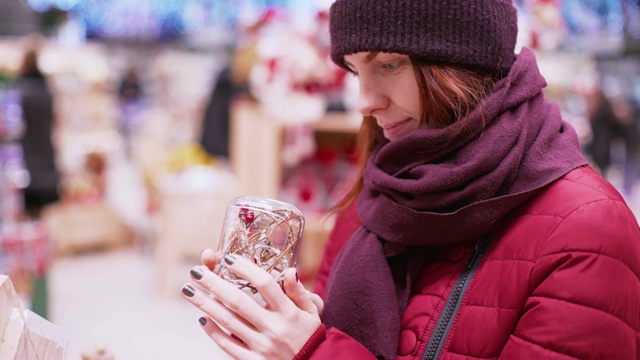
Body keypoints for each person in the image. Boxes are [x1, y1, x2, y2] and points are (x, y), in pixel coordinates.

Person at [181, 1, 640, 359]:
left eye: (389, 64)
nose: (364, 101)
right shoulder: (381, 187)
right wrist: (287, 330)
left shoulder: (587, 231)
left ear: (464, 61)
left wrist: (315, 352)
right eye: (355, 69)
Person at [14, 44, 60, 217]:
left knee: (27, 215)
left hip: (25, 159)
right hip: (46, 158)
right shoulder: (47, 91)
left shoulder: (19, 91)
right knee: (46, 216)